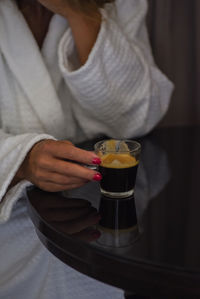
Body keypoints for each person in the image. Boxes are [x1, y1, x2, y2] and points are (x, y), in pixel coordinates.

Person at [0, 0, 173, 222]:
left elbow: (137, 118)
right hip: (10, 226)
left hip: (97, 211)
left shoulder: (121, 3)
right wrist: (20, 161)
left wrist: (79, 13)